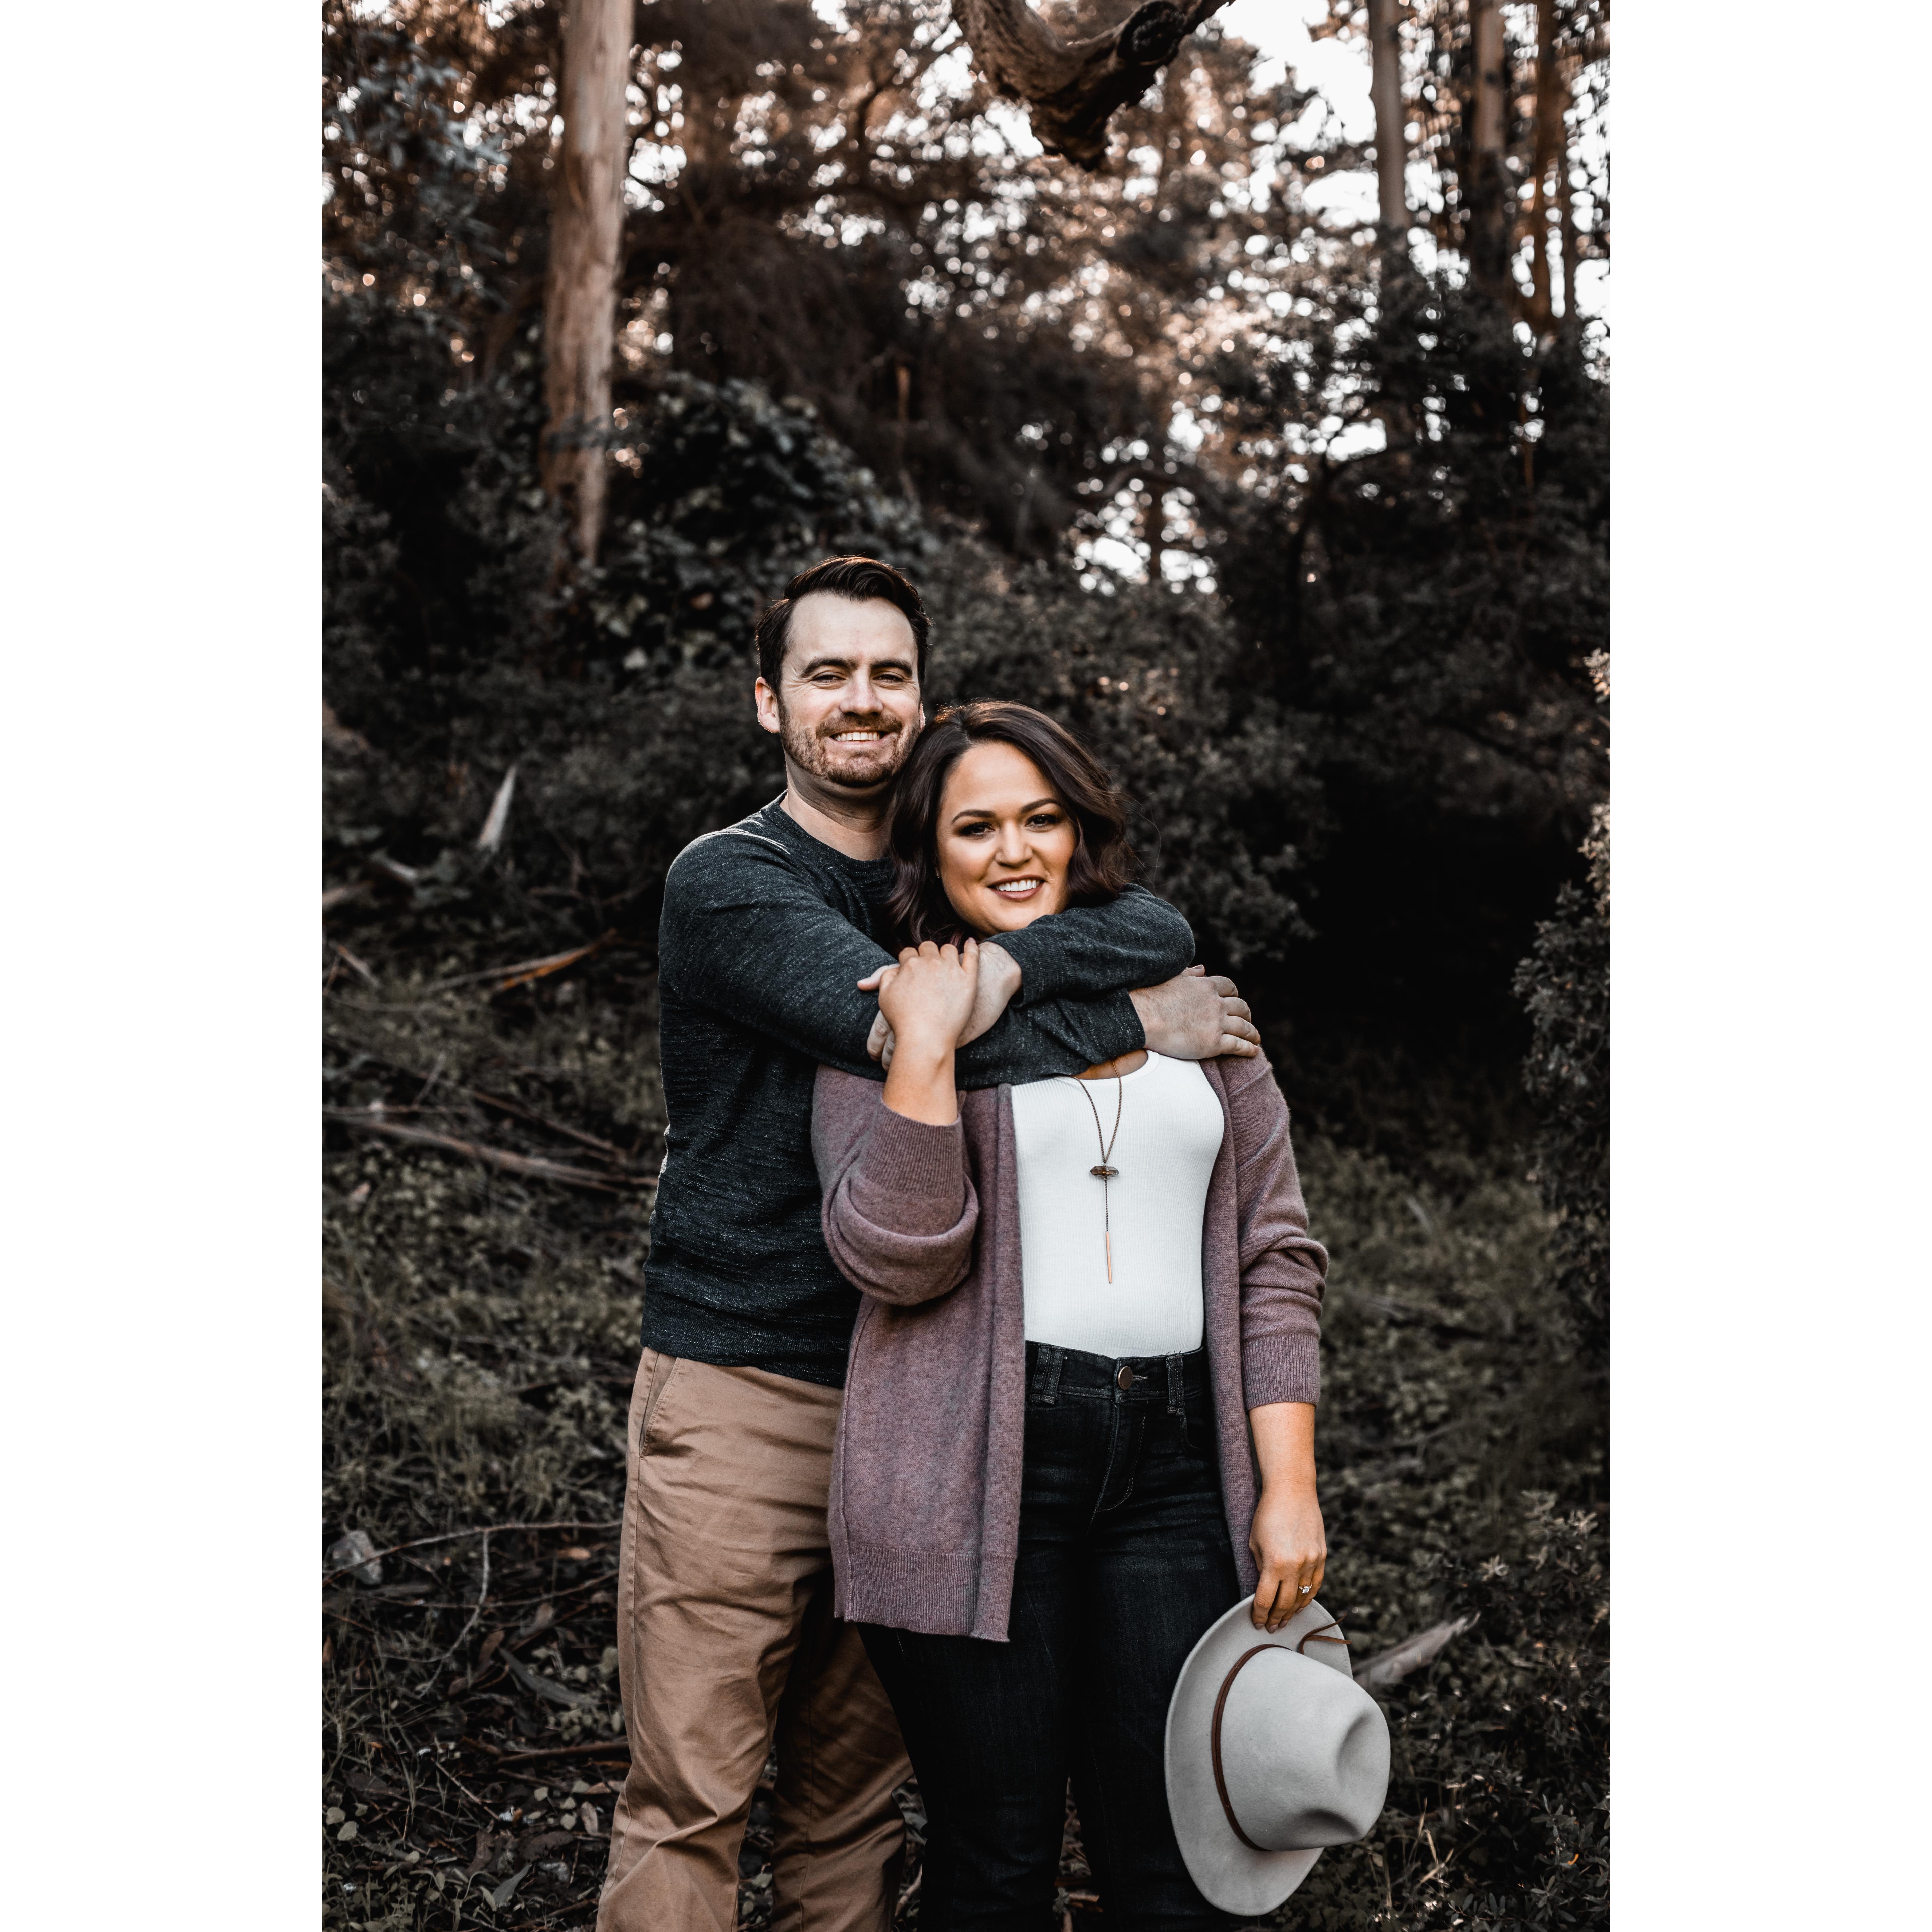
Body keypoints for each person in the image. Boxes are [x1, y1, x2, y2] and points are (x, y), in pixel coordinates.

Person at [600, 560, 1263, 1932]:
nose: (861, 700)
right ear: (769, 699)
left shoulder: (938, 889)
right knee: (694, 1800)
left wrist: (1012, 968)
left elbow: (1148, 919)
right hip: (753, 1389)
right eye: (827, 673)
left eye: (889, 673)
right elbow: (897, 1037)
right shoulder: (733, 885)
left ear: (923, 696)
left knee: (853, 1804)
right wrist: (1138, 1024)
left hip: (935, 1402)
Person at [810, 700, 1331, 1932]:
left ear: (1080, 829)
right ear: (929, 852)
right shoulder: (889, 1016)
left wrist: (1287, 1485)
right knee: (996, 1864)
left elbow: (1275, 1255)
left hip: (1171, 1471)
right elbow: (896, 1259)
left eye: (1041, 818)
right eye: (976, 826)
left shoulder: (1198, 1014)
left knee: (1178, 1864)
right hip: (968, 1463)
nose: (1014, 850)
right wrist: (928, 1049)